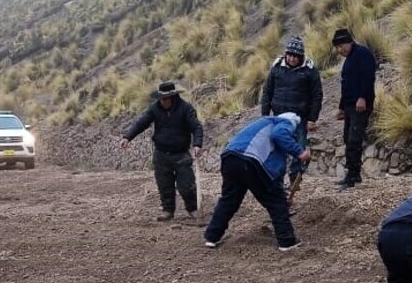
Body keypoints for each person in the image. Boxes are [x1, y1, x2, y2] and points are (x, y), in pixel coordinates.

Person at [203, 113, 311, 251]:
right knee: (275, 203)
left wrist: (280, 191)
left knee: (228, 200)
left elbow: (275, 170)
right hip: (250, 161)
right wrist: (300, 152)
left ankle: (212, 237)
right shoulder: (284, 122)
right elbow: (278, 134)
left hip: (230, 158)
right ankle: (287, 241)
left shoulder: (261, 124)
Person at [120, 81, 204, 222]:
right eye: (161, 99)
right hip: (161, 154)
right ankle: (168, 211)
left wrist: (197, 144)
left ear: (173, 97)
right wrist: (127, 137)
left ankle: (192, 209)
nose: (163, 101)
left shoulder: (186, 108)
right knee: (164, 185)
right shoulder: (155, 109)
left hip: (181, 154)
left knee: (187, 185)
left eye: (165, 99)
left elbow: (196, 127)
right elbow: (141, 123)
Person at [260, 35, 323, 187]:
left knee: (298, 149)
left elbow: (317, 96)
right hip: (279, 117)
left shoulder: (310, 71)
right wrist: (265, 115)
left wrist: (312, 119)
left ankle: (295, 178)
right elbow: (267, 92)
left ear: (301, 56)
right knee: (278, 148)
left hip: (299, 118)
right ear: (286, 54)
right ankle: (277, 180)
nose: (292, 58)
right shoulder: (277, 68)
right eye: (290, 55)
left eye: (296, 56)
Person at [332, 28, 378, 191]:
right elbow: (346, 85)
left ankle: (351, 177)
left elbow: (369, 77)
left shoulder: (363, 54)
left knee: (354, 139)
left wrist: (363, 97)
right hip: (350, 105)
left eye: (341, 46)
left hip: (361, 105)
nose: (339, 50)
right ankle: (354, 173)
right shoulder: (349, 60)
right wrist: (341, 108)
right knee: (347, 138)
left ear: (349, 42)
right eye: (337, 48)